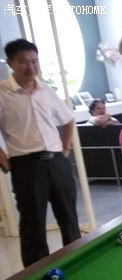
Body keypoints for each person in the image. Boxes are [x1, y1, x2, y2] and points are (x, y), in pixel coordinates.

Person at [0, 38, 81, 267]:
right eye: (23, 61)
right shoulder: (2, 92)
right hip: (26, 165)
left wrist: (65, 148)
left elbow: (68, 119)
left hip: (57, 162)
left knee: (69, 218)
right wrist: (2, 157)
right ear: (10, 63)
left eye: (34, 61)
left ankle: (76, 264)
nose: (30, 67)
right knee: (33, 224)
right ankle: (36, 274)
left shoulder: (46, 90)